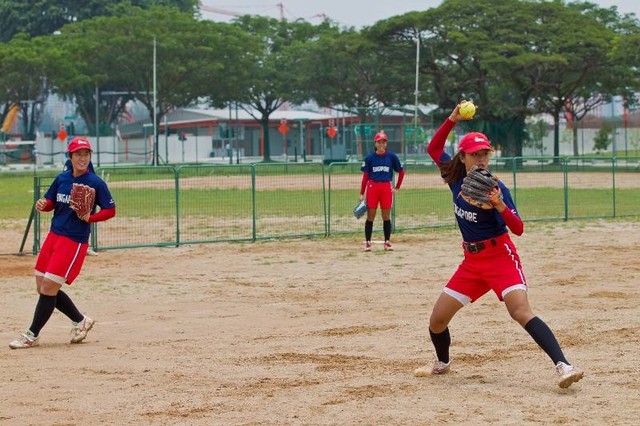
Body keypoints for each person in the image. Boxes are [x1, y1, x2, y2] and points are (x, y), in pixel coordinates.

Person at [414, 102, 583, 388]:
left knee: (520, 311)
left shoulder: (496, 187)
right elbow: (433, 149)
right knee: (437, 321)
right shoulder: (455, 179)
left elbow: (518, 228)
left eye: (485, 153)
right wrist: (452, 119)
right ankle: (442, 362)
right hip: (471, 262)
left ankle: (564, 366)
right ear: (463, 156)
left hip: (500, 257)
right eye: (475, 153)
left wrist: (500, 205)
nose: (481, 158)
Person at [9, 136, 116, 349]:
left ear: (90, 157)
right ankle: (80, 320)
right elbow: (51, 202)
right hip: (54, 236)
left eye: (86, 154)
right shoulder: (62, 178)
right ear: (71, 156)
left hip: (73, 240)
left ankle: (31, 335)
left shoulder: (95, 182)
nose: (82, 158)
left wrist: (90, 218)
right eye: (78, 154)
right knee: (42, 286)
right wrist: (43, 203)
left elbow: (110, 210)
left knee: (49, 287)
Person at [359, 130, 405, 251]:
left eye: (383, 142)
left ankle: (387, 242)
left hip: (385, 188)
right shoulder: (370, 158)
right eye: (379, 142)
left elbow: (401, 171)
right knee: (370, 216)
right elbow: (365, 177)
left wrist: (397, 187)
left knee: (386, 216)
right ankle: (368, 243)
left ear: (386, 144)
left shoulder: (391, 157)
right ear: (375, 143)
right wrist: (361, 193)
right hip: (373, 187)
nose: (381, 145)